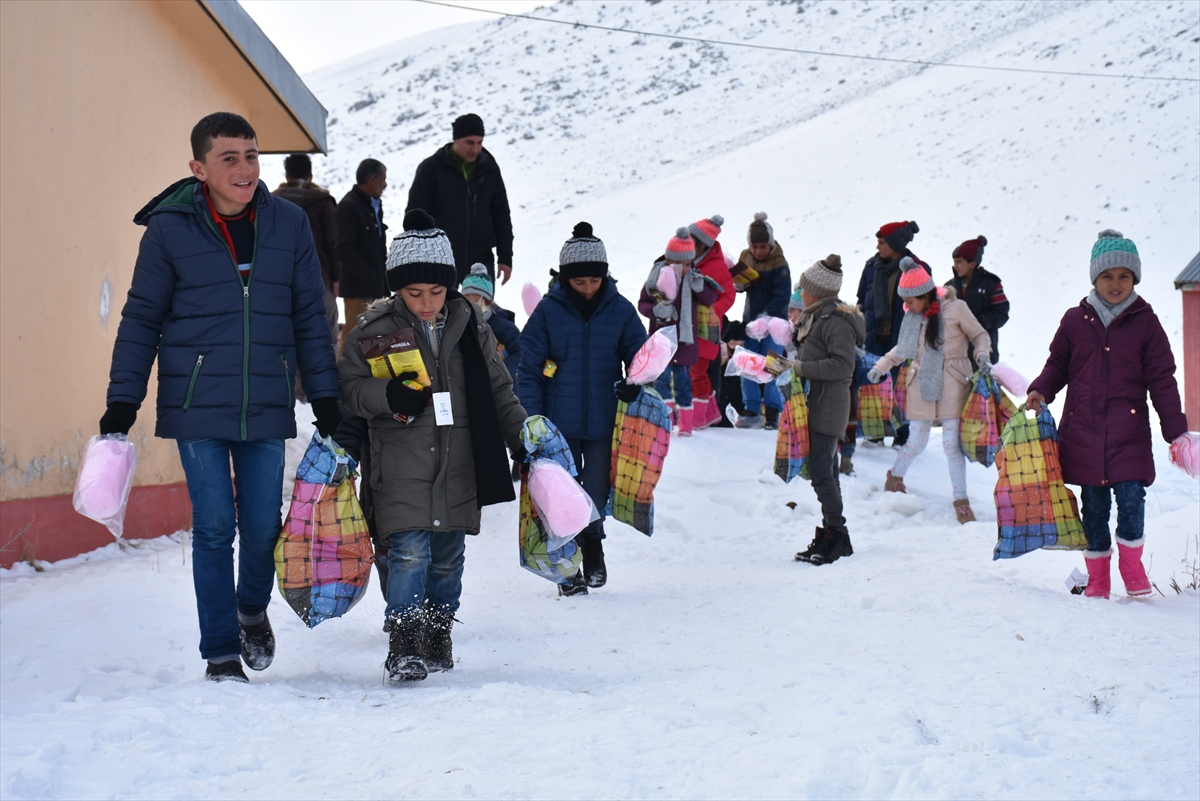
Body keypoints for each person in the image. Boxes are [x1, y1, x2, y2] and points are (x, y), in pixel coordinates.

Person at [101, 112, 342, 683]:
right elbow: (142, 318)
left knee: (262, 525)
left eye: (252, 155)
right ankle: (220, 654)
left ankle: (251, 610)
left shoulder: (288, 224)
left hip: (265, 395)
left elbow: (311, 315)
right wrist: (122, 400)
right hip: (194, 401)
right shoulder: (170, 229)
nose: (244, 168)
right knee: (214, 526)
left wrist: (326, 396)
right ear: (198, 168)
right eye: (229, 157)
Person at [339, 209, 527, 682]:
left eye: (437, 292)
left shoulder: (472, 327)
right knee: (406, 553)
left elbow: (501, 391)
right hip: (398, 463)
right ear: (396, 289)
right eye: (413, 293)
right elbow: (350, 391)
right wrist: (387, 395)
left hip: (460, 460)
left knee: (447, 557)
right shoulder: (374, 330)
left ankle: (438, 630)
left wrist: (523, 439)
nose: (426, 303)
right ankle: (403, 639)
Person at [1026, 230, 1188, 599]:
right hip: (1082, 431)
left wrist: (1174, 428)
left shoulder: (1146, 323)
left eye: (1124, 276)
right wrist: (1040, 389)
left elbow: (1162, 379)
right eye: (1107, 276)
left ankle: (1131, 566)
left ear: (1135, 279)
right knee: (1094, 508)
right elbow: (1058, 365)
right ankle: (1097, 577)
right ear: (1094, 279)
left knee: (1132, 499)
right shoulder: (1073, 321)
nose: (1116, 284)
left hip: (1128, 431)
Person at [516, 223, 647, 594]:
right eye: (579, 283)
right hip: (559, 425)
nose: (588, 288)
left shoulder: (620, 310)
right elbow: (529, 371)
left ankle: (593, 543)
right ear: (564, 278)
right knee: (563, 495)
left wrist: (634, 384)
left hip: (606, 419)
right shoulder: (547, 312)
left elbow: (640, 358)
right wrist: (533, 420)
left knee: (595, 489)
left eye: (594, 281)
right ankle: (567, 565)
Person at [867, 258, 993, 523]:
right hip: (921, 385)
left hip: (954, 384)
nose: (906, 306)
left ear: (923, 295)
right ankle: (895, 477)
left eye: (910, 301)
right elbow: (902, 350)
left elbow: (980, 335)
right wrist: (881, 366)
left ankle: (961, 501)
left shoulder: (957, 309)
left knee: (951, 446)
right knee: (916, 441)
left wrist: (981, 354)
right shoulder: (913, 317)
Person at [790, 255, 864, 565]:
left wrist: (800, 367)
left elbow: (843, 364)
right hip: (818, 402)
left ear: (817, 292)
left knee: (822, 471)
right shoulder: (817, 317)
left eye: (805, 288)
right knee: (826, 470)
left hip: (829, 404)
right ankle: (830, 532)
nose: (801, 293)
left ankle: (838, 534)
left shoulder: (834, 320)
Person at [407, 113, 514, 287]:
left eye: (480, 142)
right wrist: (418, 256)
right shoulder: (431, 169)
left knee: (480, 313)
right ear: (455, 140)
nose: (475, 149)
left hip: (481, 258)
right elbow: (414, 215)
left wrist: (505, 257)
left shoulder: (490, 169)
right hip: (441, 258)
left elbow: (501, 213)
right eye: (469, 142)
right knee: (443, 313)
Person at [639, 228, 719, 436]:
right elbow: (643, 304)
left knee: (684, 383)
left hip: (685, 341)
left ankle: (685, 425)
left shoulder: (693, 277)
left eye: (687, 263)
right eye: (679, 263)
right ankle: (665, 422)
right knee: (662, 382)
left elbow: (711, 299)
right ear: (668, 259)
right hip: (662, 341)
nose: (684, 268)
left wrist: (700, 286)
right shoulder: (656, 277)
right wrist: (656, 310)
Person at [856, 220, 924, 446]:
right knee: (874, 384)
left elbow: (926, 305)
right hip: (874, 337)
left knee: (901, 388)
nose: (878, 247)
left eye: (882, 242)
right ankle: (874, 433)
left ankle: (902, 435)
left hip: (903, 338)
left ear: (895, 243)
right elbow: (861, 300)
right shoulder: (871, 267)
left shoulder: (917, 269)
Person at [732, 213, 791, 429]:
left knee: (774, 365)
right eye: (755, 247)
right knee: (747, 364)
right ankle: (751, 408)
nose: (759, 251)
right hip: (750, 321)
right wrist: (739, 284)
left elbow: (782, 297)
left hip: (775, 324)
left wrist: (767, 319)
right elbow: (742, 286)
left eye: (763, 247)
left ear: (771, 244)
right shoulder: (745, 257)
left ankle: (774, 409)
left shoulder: (780, 264)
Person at [272, 153, 339, 345]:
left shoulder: (272, 202)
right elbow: (333, 243)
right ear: (311, 176)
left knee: (289, 342)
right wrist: (336, 278)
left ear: (287, 177)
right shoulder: (323, 202)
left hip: (282, 283)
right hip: (320, 279)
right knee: (326, 341)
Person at [687, 215, 734, 430]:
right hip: (688, 327)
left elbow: (729, 295)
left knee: (697, 371)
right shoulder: (687, 261)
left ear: (701, 244)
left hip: (707, 330)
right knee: (693, 372)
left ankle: (699, 418)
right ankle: (709, 412)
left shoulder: (716, 266)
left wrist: (712, 311)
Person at [336, 158, 389, 351]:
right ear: (372, 180)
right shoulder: (348, 206)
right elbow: (343, 248)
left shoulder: (374, 206)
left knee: (377, 338)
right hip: (358, 289)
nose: (386, 184)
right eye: (383, 179)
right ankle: (343, 380)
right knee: (354, 338)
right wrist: (368, 278)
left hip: (376, 287)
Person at [945, 235, 1009, 368]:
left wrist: (979, 322)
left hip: (983, 350)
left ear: (972, 264)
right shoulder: (950, 287)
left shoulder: (991, 284)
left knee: (982, 388)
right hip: (954, 354)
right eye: (954, 261)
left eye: (959, 262)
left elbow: (1001, 313)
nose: (955, 266)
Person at [461, 262, 522, 372]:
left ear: (488, 303)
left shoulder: (503, 326)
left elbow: (522, 356)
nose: (471, 307)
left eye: (476, 302)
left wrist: (501, 365)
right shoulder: (459, 325)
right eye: (466, 302)